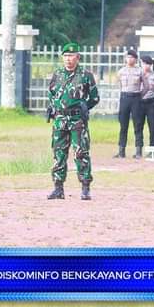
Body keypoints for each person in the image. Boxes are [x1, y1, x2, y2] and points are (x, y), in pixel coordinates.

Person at [46, 42, 100, 201]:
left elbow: (95, 97)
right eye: (66, 56)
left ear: (78, 57)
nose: (68, 59)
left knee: (80, 152)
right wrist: (52, 107)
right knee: (59, 153)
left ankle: (85, 187)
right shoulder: (57, 74)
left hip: (77, 120)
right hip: (60, 120)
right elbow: (51, 93)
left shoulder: (85, 75)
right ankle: (58, 188)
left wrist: (85, 107)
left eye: (71, 56)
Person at [114, 48, 144, 159]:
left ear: (136, 59)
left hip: (136, 98)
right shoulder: (121, 71)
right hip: (125, 98)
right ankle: (121, 151)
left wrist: (140, 95)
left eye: (132, 57)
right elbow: (118, 85)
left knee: (138, 125)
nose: (129, 59)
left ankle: (138, 151)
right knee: (123, 125)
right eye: (128, 57)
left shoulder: (140, 71)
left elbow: (145, 86)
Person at [135, 53, 154, 156]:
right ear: (141, 64)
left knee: (153, 127)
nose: (146, 66)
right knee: (138, 126)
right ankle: (138, 150)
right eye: (144, 63)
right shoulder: (137, 74)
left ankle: (152, 151)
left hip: (151, 103)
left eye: (148, 64)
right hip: (139, 103)